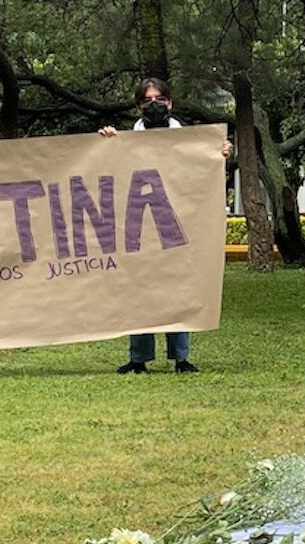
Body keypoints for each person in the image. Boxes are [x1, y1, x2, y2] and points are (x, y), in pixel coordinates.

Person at [98, 77, 231, 374]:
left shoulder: (189, 142)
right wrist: (105, 142)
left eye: (159, 98)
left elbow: (200, 175)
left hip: (178, 224)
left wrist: (217, 154)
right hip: (139, 225)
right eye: (147, 100)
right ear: (138, 106)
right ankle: (138, 358)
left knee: (178, 288)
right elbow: (106, 170)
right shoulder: (124, 141)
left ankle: (181, 358)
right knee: (139, 288)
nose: (154, 104)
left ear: (170, 102)